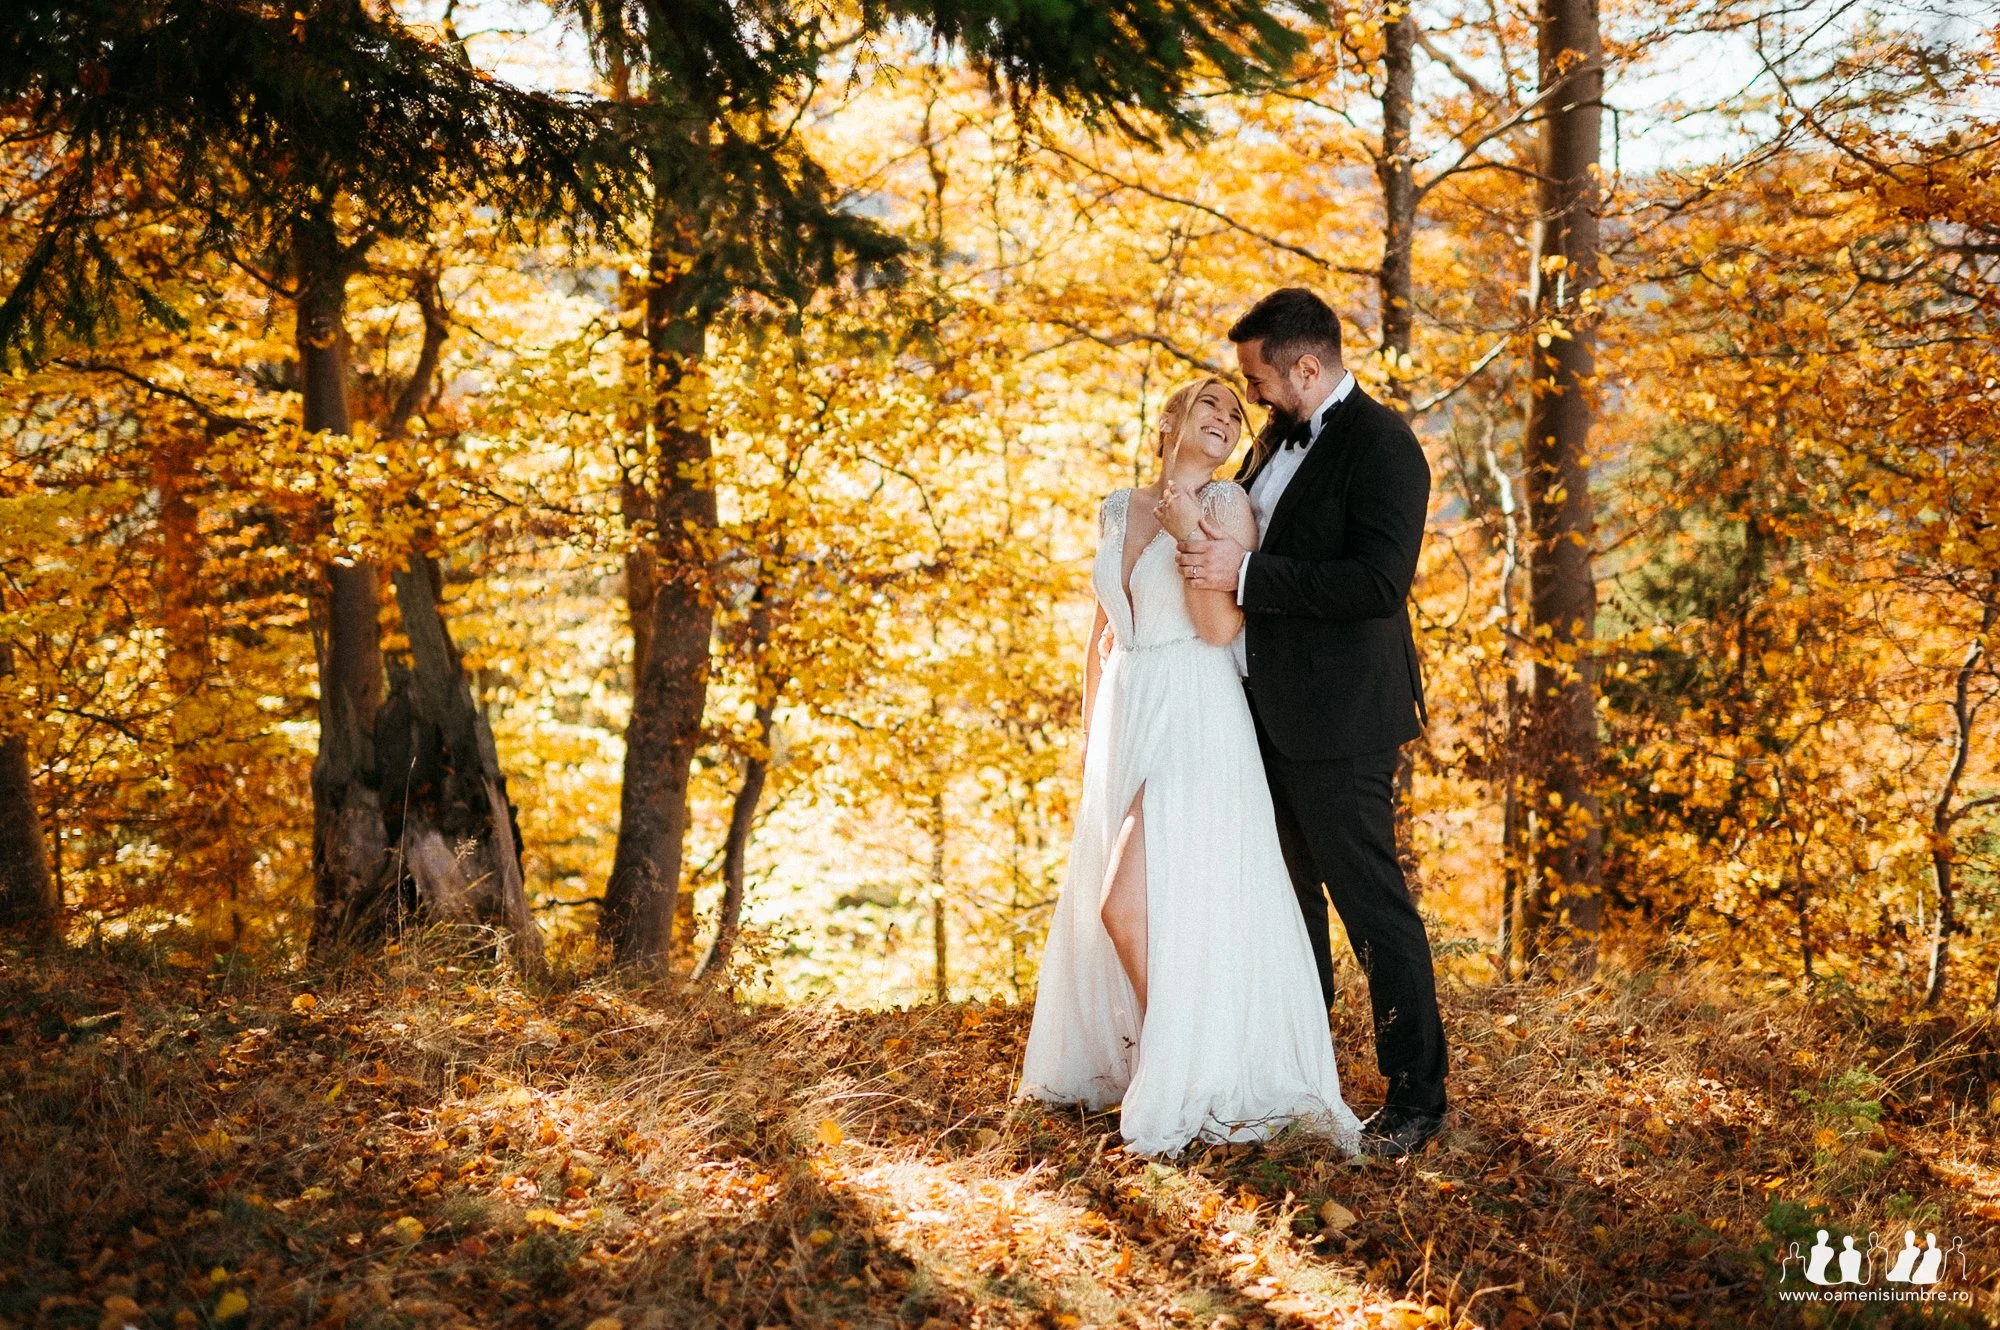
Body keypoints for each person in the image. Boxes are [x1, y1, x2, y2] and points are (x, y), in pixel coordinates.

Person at [1016, 375, 1364, 1159]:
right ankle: (1160, 1051)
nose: (1224, 418)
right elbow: (1099, 634)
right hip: (1128, 716)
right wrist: (1087, 745)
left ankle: (1176, 1061)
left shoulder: (1225, 509)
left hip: (1197, 713)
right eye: (1209, 403)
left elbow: (1217, 629)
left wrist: (1186, 536)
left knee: (1124, 906)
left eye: (1235, 415)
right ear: (1171, 417)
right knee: (1133, 900)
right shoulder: (1114, 507)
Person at [1173, 287, 1449, 1156]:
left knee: (1372, 909)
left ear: (1306, 365)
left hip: (1342, 720)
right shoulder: (1274, 439)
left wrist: (1248, 577)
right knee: (1288, 911)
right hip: (1263, 713)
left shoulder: (1384, 446)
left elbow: (1377, 584)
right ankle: (1303, 1074)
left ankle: (1417, 1098)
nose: (1250, 391)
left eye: (1258, 376)